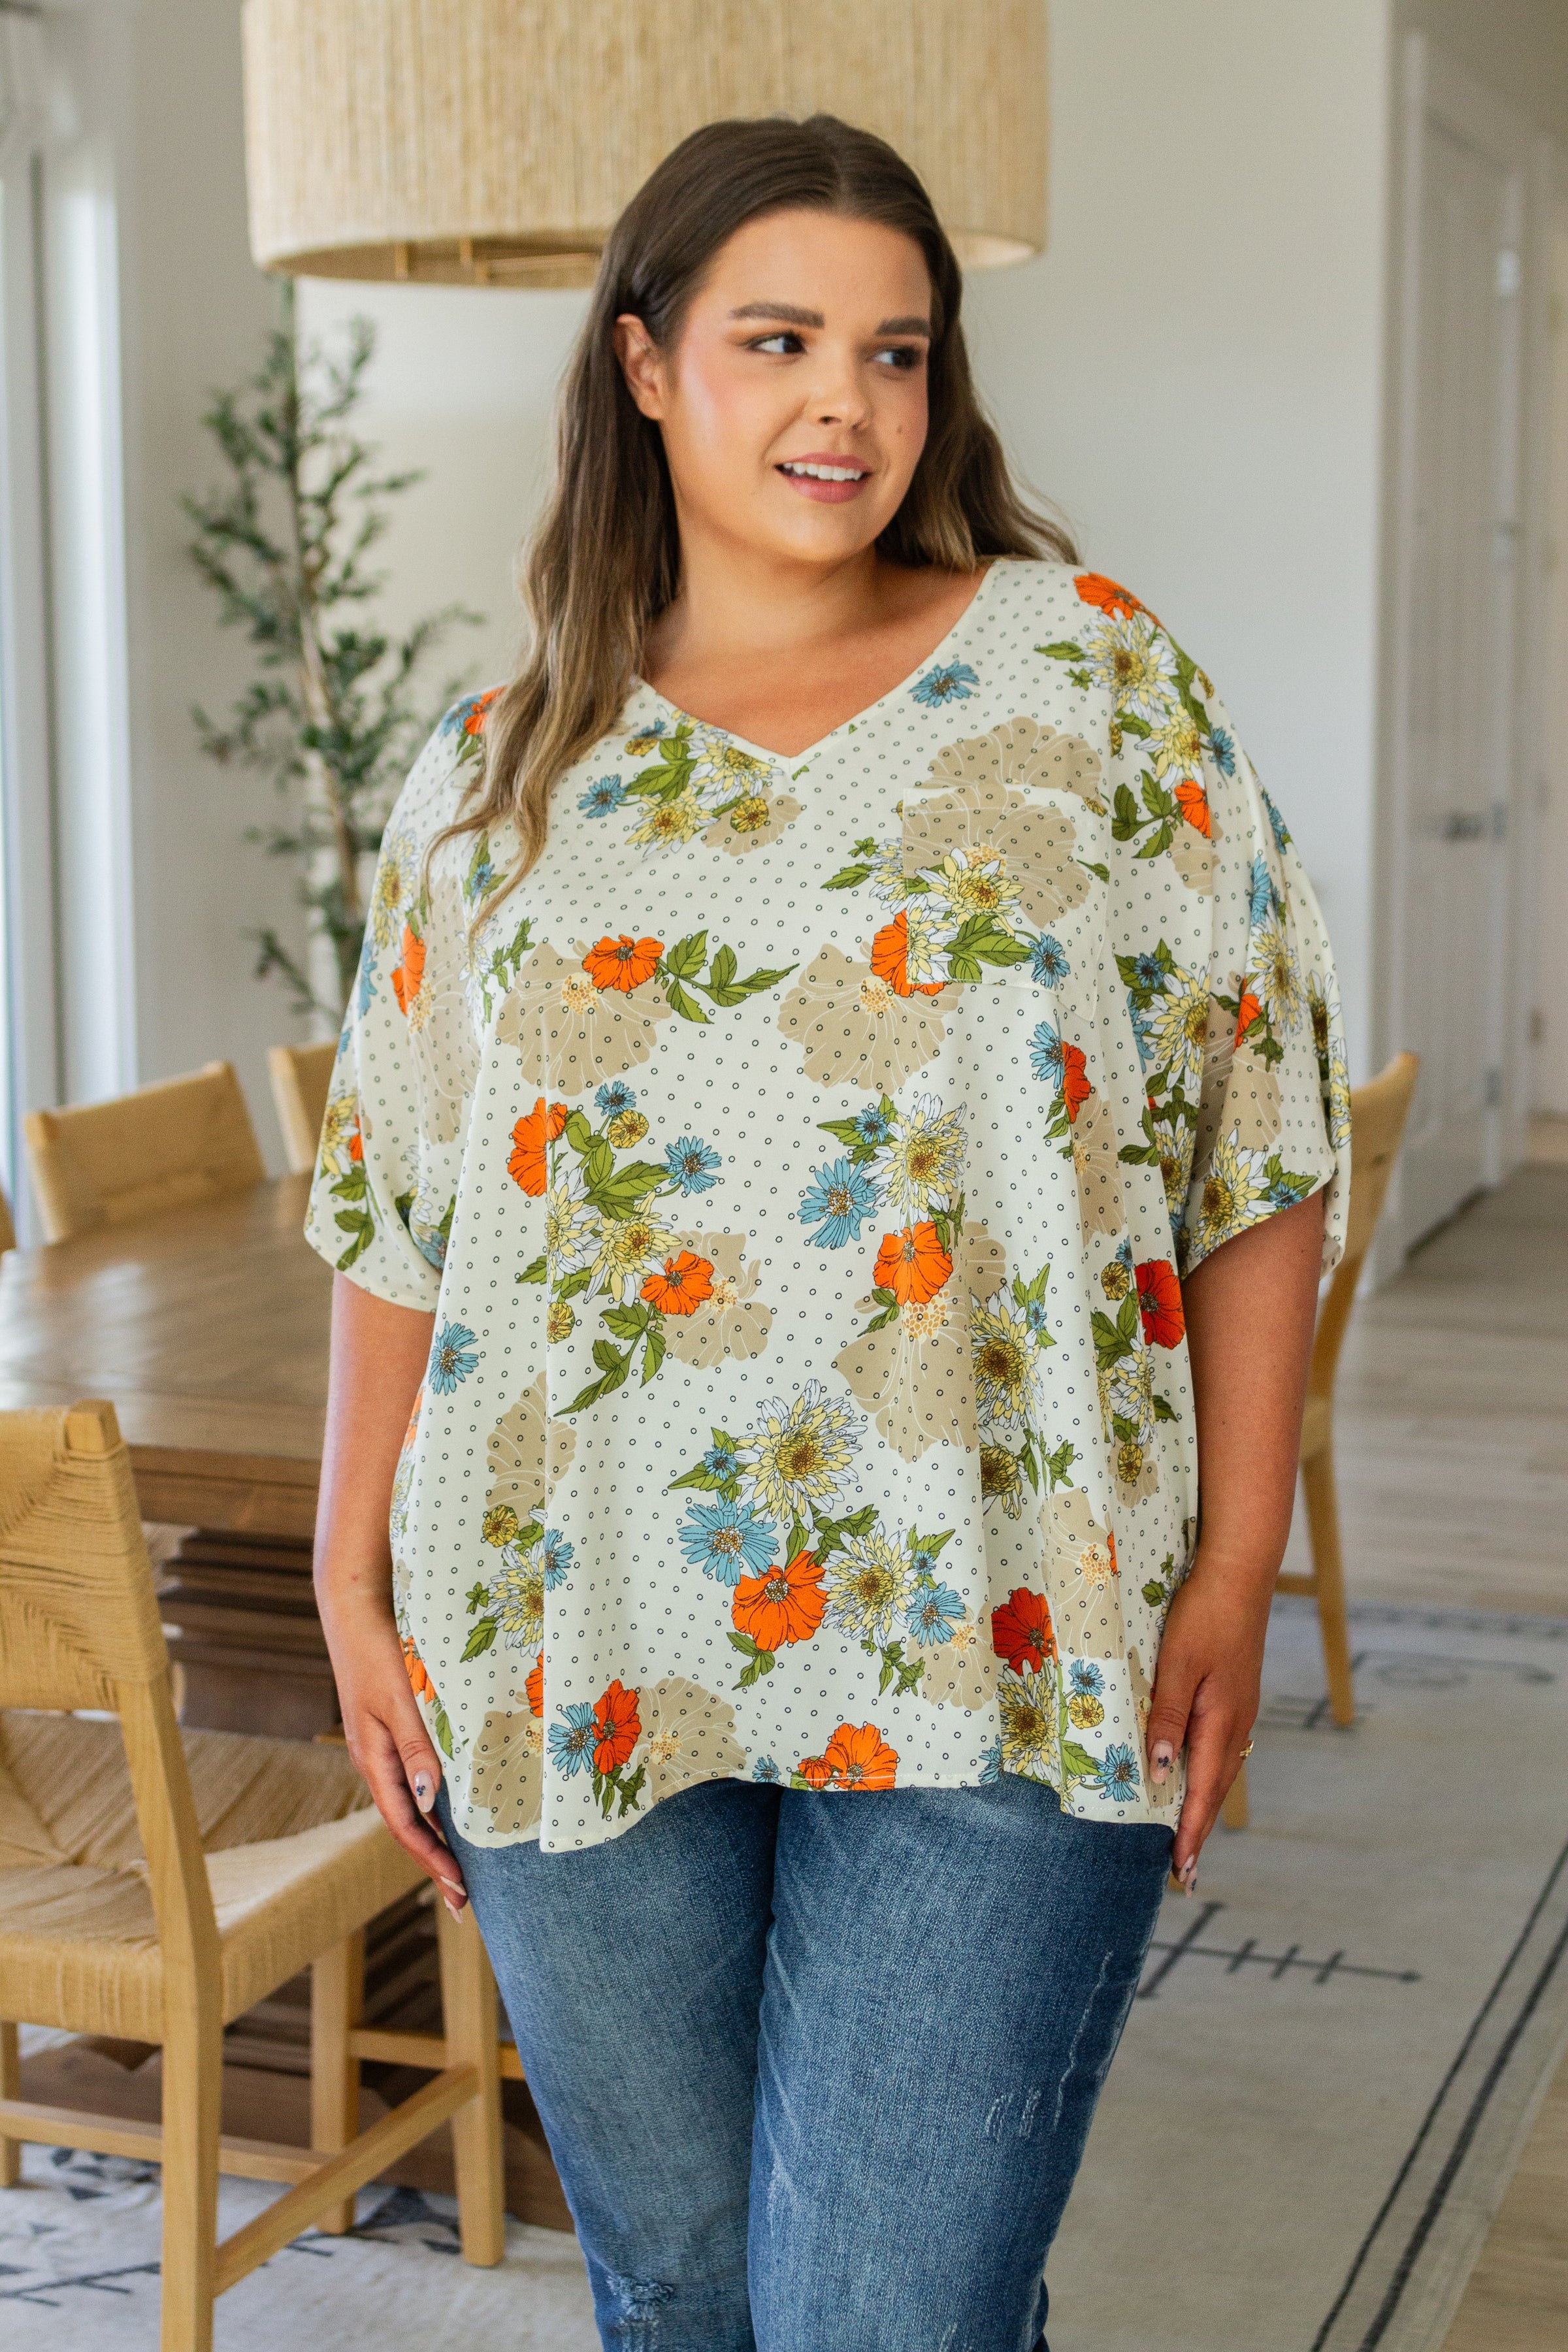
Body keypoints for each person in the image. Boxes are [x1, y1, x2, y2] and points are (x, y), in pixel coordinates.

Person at [307, 112, 1349, 2352]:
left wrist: (1240, 1557)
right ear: (646, 365)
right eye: (778, 340)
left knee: (888, 2319)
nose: (846, 405)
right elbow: (397, 1204)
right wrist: (344, 1574)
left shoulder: (1090, 681)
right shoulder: (495, 770)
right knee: (682, 2300)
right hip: (575, 1619)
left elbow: (1255, 1130)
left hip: (1007, 1621)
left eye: (896, 349)